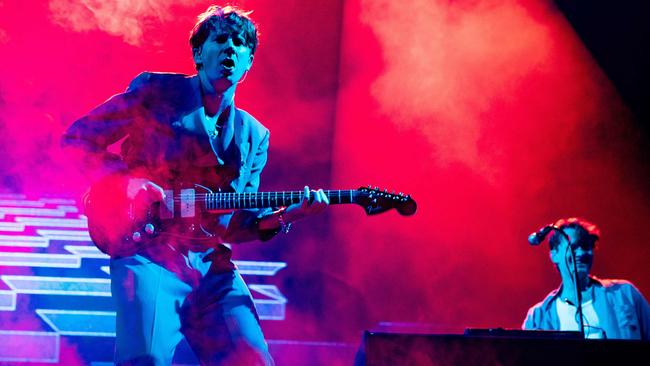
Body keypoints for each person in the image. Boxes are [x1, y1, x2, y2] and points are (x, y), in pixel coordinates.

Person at [62, 5, 328, 365]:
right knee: (145, 360)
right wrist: (128, 181)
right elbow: (78, 139)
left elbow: (236, 223)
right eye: (219, 39)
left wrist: (284, 217)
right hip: (149, 254)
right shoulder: (157, 93)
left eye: (240, 43)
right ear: (198, 53)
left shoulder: (254, 136)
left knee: (253, 360)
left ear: (249, 62)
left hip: (210, 267)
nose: (230, 48)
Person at [522, 217, 650, 339]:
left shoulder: (625, 294)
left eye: (586, 247)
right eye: (574, 247)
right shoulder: (538, 317)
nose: (582, 253)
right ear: (554, 255)